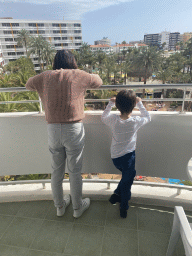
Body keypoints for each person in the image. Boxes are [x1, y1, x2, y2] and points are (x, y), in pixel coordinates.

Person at [25, 49, 102, 218]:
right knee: (74, 172)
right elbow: (98, 81)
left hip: (53, 129)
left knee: (57, 171)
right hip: (73, 128)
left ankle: (59, 207)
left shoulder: (44, 76)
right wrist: (87, 72)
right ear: (72, 61)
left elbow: (28, 84)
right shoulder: (79, 74)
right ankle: (77, 208)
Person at [101, 90, 151, 218]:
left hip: (115, 157)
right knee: (128, 181)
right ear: (133, 106)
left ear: (118, 105)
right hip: (129, 157)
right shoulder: (135, 121)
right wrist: (140, 103)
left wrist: (110, 104)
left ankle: (116, 195)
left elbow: (103, 117)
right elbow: (148, 117)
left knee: (127, 177)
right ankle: (124, 206)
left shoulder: (113, 120)